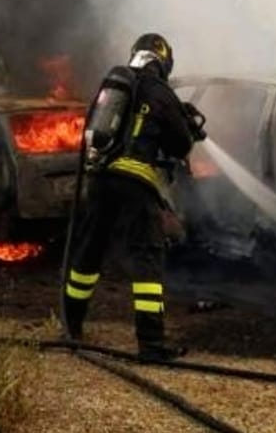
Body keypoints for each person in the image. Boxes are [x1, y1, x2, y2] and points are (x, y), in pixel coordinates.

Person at [61, 33, 205, 361]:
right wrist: (185, 124)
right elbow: (180, 146)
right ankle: (151, 344)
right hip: (135, 183)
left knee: (88, 252)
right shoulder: (161, 92)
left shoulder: (115, 84)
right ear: (164, 62)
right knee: (147, 258)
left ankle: (71, 327)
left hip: (99, 179)